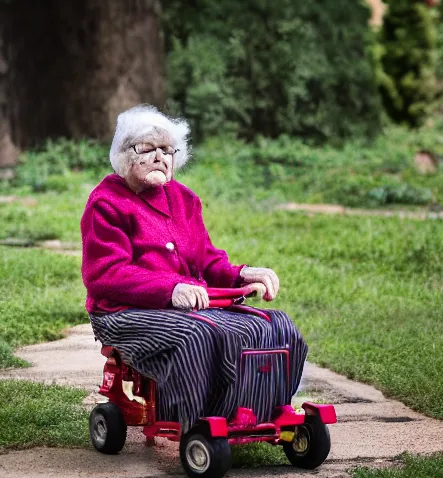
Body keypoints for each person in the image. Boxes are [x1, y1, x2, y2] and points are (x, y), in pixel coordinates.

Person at [81, 104, 307, 429]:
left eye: (167, 150)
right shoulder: (107, 204)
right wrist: (170, 289)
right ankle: (198, 422)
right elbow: (106, 276)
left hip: (185, 305)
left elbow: (205, 257)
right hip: (121, 313)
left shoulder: (183, 198)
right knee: (198, 335)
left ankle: (261, 410)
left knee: (276, 326)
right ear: (124, 155)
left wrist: (242, 273)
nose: (160, 157)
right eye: (148, 148)